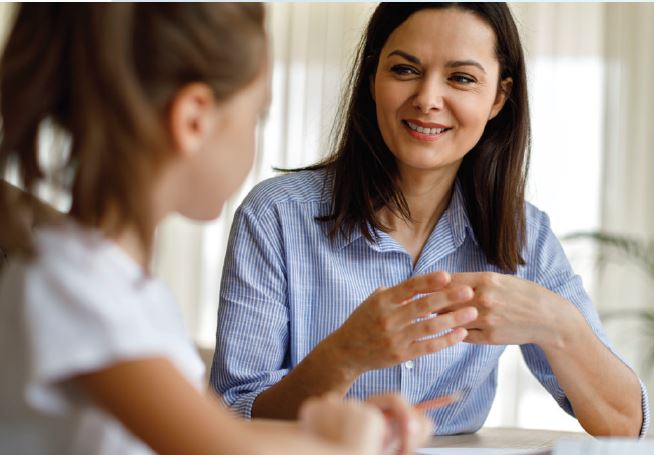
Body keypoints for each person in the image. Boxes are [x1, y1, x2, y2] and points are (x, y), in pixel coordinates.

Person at [0, 4, 432, 454]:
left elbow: (212, 435)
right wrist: (342, 445)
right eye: (257, 116)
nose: (254, 135)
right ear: (194, 120)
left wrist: (337, 430)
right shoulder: (76, 286)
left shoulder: (118, 285)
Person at [211, 2, 650, 437]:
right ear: (372, 77)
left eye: (461, 78)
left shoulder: (525, 236)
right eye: (404, 70)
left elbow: (626, 425)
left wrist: (557, 323)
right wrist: (344, 355)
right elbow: (228, 421)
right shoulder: (275, 216)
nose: (427, 99)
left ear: (499, 97)